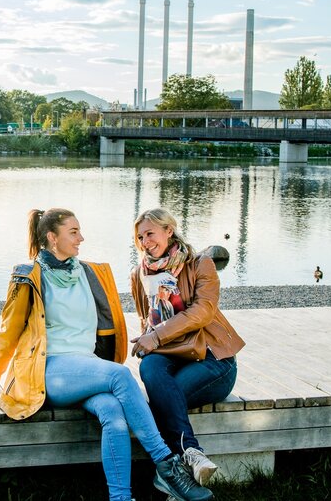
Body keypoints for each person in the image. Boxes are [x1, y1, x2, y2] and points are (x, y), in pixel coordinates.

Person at [0, 208, 213, 501]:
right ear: (52, 238)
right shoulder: (29, 276)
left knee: (113, 413)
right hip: (50, 369)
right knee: (119, 374)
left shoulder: (90, 273)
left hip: (87, 369)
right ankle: (168, 466)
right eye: (73, 232)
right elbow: (8, 333)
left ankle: (121, 498)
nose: (82, 238)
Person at [129, 207, 246, 486]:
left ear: (169, 231)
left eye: (150, 234)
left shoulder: (199, 264)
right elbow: (145, 317)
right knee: (150, 366)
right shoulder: (139, 274)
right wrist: (147, 336)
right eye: (140, 236)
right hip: (170, 354)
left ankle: (170, 473)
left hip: (212, 360)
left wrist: (155, 337)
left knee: (166, 398)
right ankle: (191, 456)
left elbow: (202, 312)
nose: (145, 242)